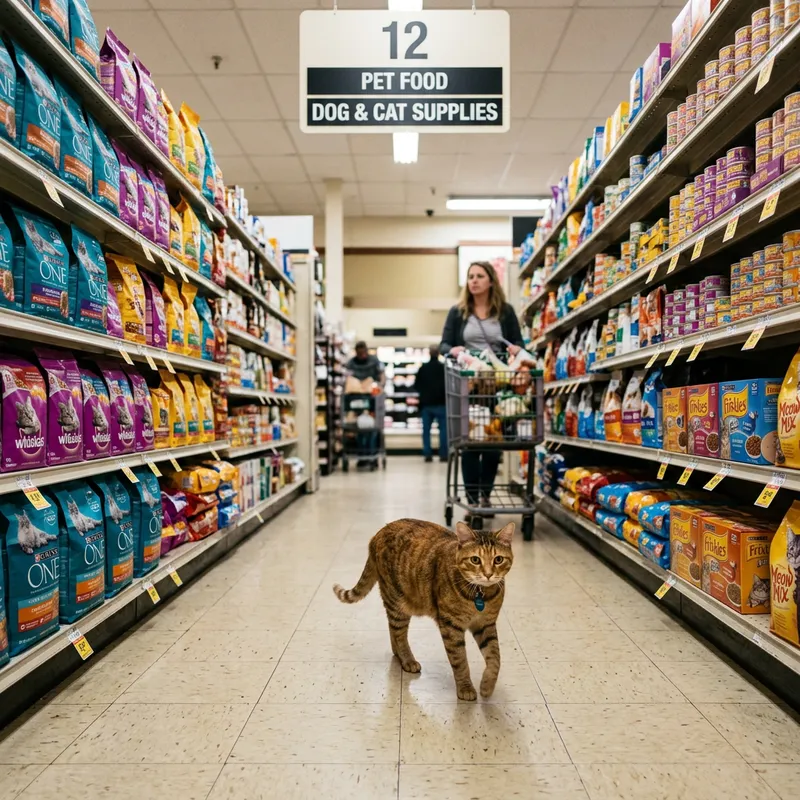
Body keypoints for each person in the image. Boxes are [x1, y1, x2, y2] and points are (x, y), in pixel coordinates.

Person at [440, 261, 524, 517]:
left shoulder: (505, 312)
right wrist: (452, 350)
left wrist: (516, 348)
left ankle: (484, 495)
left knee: (493, 442)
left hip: (497, 385)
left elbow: (518, 341)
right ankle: (473, 499)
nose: (473, 280)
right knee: (469, 444)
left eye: (479, 276)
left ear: (491, 281)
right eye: (470, 276)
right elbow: (443, 345)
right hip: (468, 387)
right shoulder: (458, 312)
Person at [345, 342, 385, 466]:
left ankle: (371, 455)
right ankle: (362, 456)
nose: (362, 355)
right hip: (356, 401)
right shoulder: (351, 363)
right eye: (359, 353)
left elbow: (382, 376)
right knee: (359, 429)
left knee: (372, 430)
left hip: (372, 400)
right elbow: (347, 378)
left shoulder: (374, 361)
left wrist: (379, 386)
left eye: (363, 353)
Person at [412, 345, 447, 463]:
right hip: (442, 404)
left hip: (426, 404)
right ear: (438, 354)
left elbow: (416, 386)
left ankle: (427, 453)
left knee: (426, 430)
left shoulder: (423, 368)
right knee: (443, 430)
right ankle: (443, 454)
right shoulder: (443, 368)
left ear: (429, 354)